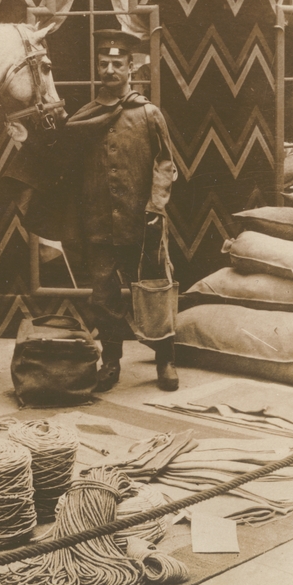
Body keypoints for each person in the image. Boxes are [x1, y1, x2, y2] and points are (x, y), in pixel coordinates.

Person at [59, 29, 179, 392]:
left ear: (131, 67)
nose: (110, 70)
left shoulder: (148, 113)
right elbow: (66, 162)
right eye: (104, 63)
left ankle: (165, 359)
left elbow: (165, 163)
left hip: (142, 222)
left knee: (155, 290)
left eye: (117, 63)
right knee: (104, 298)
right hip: (98, 223)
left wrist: (155, 205)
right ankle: (110, 362)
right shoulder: (85, 116)